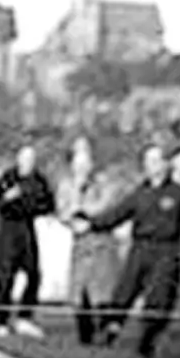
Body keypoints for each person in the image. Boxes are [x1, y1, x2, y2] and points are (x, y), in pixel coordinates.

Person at [81, 144, 180, 358]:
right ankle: (110, 331)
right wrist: (91, 224)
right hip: (140, 246)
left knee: (159, 297)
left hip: (167, 249)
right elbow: (117, 214)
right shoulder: (141, 192)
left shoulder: (179, 193)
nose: (151, 166)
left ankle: (148, 340)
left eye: (155, 161)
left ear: (165, 164)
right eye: (147, 161)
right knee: (124, 290)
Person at [57, 137, 124, 346]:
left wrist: (84, 215)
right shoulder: (66, 185)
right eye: (78, 165)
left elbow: (106, 206)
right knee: (80, 292)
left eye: (85, 165)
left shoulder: (103, 182)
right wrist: (76, 214)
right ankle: (84, 336)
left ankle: (104, 331)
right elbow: (63, 211)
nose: (82, 169)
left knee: (103, 292)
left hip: (101, 243)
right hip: (80, 243)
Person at [0, 141, 56, 339]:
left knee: (34, 274)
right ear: (18, 160)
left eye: (31, 160)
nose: (28, 163)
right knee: (5, 275)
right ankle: (1, 320)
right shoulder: (8, 178)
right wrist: (8, 198)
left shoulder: (39, 180)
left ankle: (24, 317)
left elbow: (48, 203)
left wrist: (34, 206)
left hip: (27, 228)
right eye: (24, 159)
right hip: (8, 228)